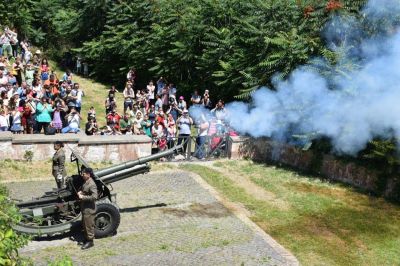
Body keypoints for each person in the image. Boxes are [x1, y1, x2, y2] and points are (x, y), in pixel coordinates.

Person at [77, 167, 98, 250]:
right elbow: (85, 190)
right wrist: (81, 192)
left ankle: (90, 241)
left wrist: (83, 197)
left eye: (84, 174)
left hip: (89, 209)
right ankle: (86, 239)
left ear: (88, 174)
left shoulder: (92, 184)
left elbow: (94, 196)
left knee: (89, 225)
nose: (82, 175)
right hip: (85, 207)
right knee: (85, 224)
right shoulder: (86, 182)